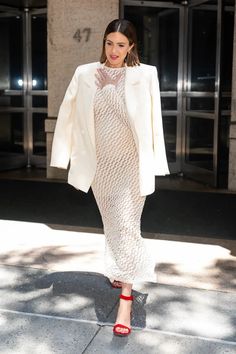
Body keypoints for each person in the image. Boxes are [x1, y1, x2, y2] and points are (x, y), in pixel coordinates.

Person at [50, 19, 169, 337]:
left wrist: (109, 89)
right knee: (113, 224)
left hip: (130, 164)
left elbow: (148, 122)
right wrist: (62, 158)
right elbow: (68, 116)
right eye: (108, 43)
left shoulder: (145, 74)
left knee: (128, 227)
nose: (113, 50)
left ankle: (126, 300)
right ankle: (121, 269)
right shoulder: (84, 73)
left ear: (131, 46)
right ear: (103, 43)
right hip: (101, 167)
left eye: (120, 44)